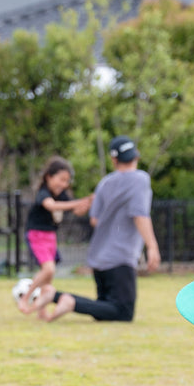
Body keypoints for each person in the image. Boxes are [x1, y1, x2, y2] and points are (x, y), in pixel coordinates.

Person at [33, 137, 159, 323]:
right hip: (120, 257)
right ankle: (66, 300)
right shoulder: (140, 179)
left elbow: (94, 220)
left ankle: (56, 296)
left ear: (114, 160)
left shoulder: (105, 183)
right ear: (136, 158)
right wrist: (152, 246)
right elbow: (139, 214)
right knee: (123, 312)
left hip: (99, 258)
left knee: (105, 309)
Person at [16, 157, 92, 314]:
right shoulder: (43, 192)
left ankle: (41, 312)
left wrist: (88, 202)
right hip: (37, 235)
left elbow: (76, 211)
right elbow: (51, 205)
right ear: (49, 177)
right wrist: (78, 202)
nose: (64, 184)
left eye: (67, 181)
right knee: (48, 270)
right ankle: (26, 297)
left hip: (51, 236)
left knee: (48, 280)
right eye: (61, 180)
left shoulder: (62, 194)